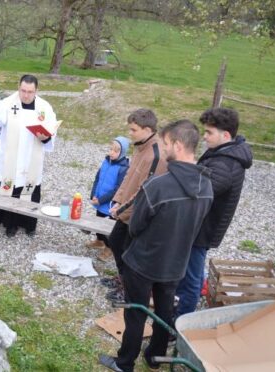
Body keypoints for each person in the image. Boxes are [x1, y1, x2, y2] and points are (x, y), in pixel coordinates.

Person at [98, 120, 213, 372]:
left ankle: (124, 362)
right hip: (176, 262)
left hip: (144, 262)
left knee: (135, 313)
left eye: (166, 143)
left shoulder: (158, 186)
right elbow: (197, 225)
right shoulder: (207, 186)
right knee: (164, 310)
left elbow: (136, 226)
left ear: (179, 145)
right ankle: (155, 357)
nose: (163, 148)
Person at [175, 108, 253, 317]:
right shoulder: (223, 153)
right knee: (191, 271)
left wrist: (182, 170)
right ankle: (183, 305)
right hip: (200, 225)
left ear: (225, 135)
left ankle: (181, 321)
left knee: (191, 278)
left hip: (202, 229)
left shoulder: (225, 163)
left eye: (209, 132)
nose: (205, 137)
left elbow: (197, 191)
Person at [104, 109, 168, 302]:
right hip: (125, 209)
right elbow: (129, 177)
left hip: (137, 214)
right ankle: (123, 280)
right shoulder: (140, 146)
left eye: (133, 130)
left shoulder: (156, 155)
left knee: (128, 251)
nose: (129, 133)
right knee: (116, 241)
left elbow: (144, 190)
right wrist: (117, 199)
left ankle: (129, 290)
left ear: (148, 129)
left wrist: (121, 209)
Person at [0, 74, 56, 237]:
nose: (25, 95)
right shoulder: (8, 103)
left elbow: (52, 129)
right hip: (11, 159)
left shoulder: (44, 107)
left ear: (36, 91)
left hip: (31, 159)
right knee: (11, 187)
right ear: (18, 87)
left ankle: (28, 225)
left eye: (30, 92)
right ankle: (9, 225)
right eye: (23, 90)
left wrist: (46, 137)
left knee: (28, 189)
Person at [87, 137, 130, 261]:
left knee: (108, 229)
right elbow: (97, 178)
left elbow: (117, 190)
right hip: (99, 201)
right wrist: (93, 194)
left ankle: (109, 248)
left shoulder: (123, 168)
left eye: (115, 151)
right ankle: (100, 241)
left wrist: (101, 200)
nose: (111, 152)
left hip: (110, 204)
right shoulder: (106, 162)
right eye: (110, 149)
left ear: (122, 153)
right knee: (97, 222)